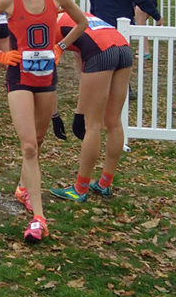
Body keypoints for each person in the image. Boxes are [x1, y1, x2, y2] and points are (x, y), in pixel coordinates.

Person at [0, 0, 88, 243]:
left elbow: (81, 23)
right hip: (19, 76)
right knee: (29, 147)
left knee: (39, 140)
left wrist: (61, 46)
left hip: (47, 76)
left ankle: (23, 188)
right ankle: (39, 217)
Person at [49, 11, 132, 203]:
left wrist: (55, 115)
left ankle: (80, 188)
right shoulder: (76, 15)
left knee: (93, 125)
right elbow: (82, 63)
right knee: (113, 121)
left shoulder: (51, 26)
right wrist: (79, 111)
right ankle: (104, 183)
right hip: (123, 48)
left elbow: (49, 75)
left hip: (100, 52)